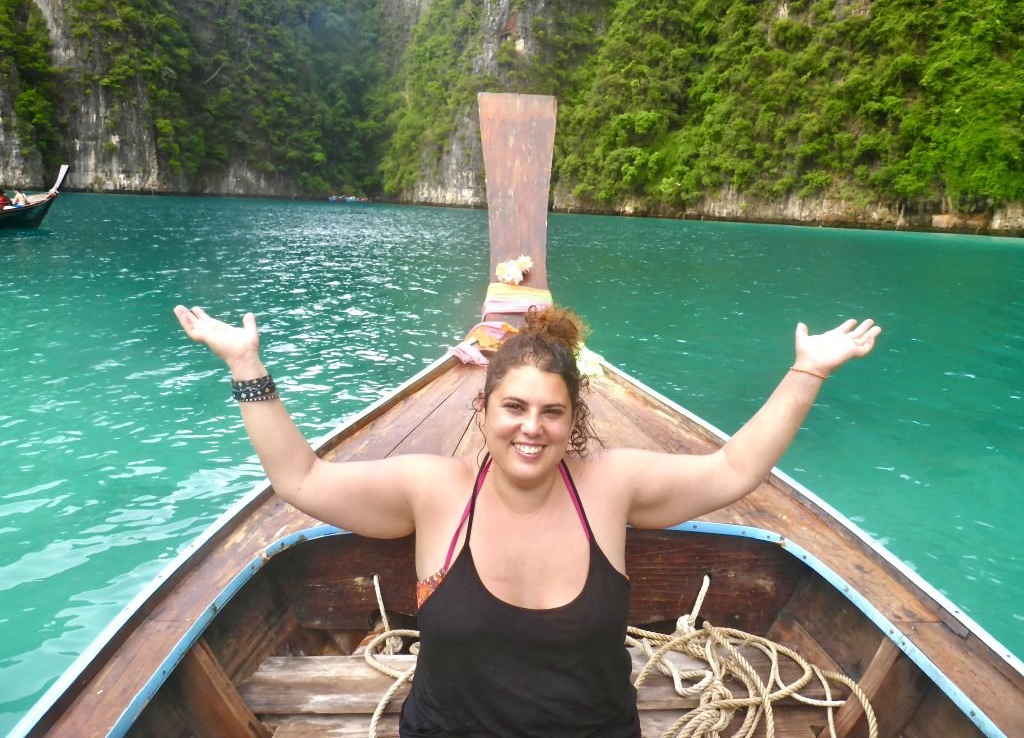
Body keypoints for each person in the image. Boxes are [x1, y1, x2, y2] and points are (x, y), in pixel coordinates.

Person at [173, 303, 880, 737]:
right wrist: (245, 364)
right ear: (482, 412)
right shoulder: (434, 490)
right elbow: (301, 478)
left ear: (574, 420)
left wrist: (808, 372)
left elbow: (732, 470)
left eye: (551, 412)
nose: (531, 428)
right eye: (513, 407)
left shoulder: (610, 484)